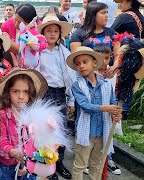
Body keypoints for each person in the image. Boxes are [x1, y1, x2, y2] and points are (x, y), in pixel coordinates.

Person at [66, 46, 122, 180]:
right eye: (78, 64)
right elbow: (85, 106)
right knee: (80, 165)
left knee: (96, 165)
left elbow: (113, 102)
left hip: (102, 132)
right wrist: (107, 108)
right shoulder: (77, 85)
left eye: (85, 62)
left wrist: (116, 113)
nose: (81, 66)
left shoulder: (106, 85)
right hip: (86, 133)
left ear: (94, 63)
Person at [36, 14, 76, 180]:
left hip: (60, 93)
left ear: (60, 34)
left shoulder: (64, 52)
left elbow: (71, 78)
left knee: (61, 128)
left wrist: (71, 99)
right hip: (44, 93)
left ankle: (59, 162)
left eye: (55, 31)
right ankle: (47, 163)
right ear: (43, 33)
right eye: (49, 31)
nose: (52, 34)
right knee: (46, 129)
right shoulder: (37, 51)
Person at [0, 68, 48, 180]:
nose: (21, 96)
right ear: (8, 92)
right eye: (16, 91)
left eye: (25, 92)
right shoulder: (2, 114)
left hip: (28, 164)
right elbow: (1, 141)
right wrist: (16, 153)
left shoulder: (33, 115)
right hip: (6, 165)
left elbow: (38, 138)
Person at [93, 44, 121, 176]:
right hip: (95, 111)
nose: (103, 61)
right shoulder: (90, 73)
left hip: (108, 111)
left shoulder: (112, 72)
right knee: (93, 139)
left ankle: (108, 159)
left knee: (108, 136)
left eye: (106, 58)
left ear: (110, 57)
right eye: (100, 58)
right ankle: (92, 161)